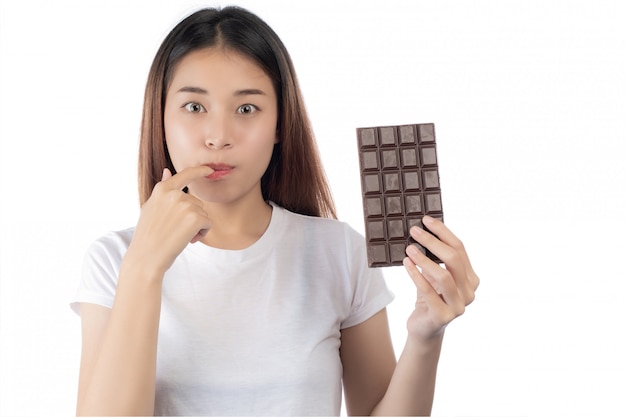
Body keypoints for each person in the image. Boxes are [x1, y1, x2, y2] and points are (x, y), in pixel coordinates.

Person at [70, 6, 479, 416]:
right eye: (195, 107)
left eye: (246, 109)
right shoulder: (114, 261)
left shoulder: (340, 254)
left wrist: (426, 336)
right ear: (160, 117)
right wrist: (144, 269)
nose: (218, 137)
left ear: (280, 122)